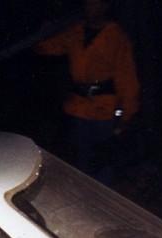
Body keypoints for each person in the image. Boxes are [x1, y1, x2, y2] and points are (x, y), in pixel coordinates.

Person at [35, 0, 140, 183]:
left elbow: (127, 77)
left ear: (106, 6)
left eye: (97, 3)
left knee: (103, 160)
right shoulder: (75, 31)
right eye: (88, 3)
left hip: (104, 109)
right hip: (78, 107)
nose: (91, 7)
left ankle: (103, 201)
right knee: (81, 159)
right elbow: (48, 48)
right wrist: (43, 33)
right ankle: (84, 198)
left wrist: (126, 115)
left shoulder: (116, 36)